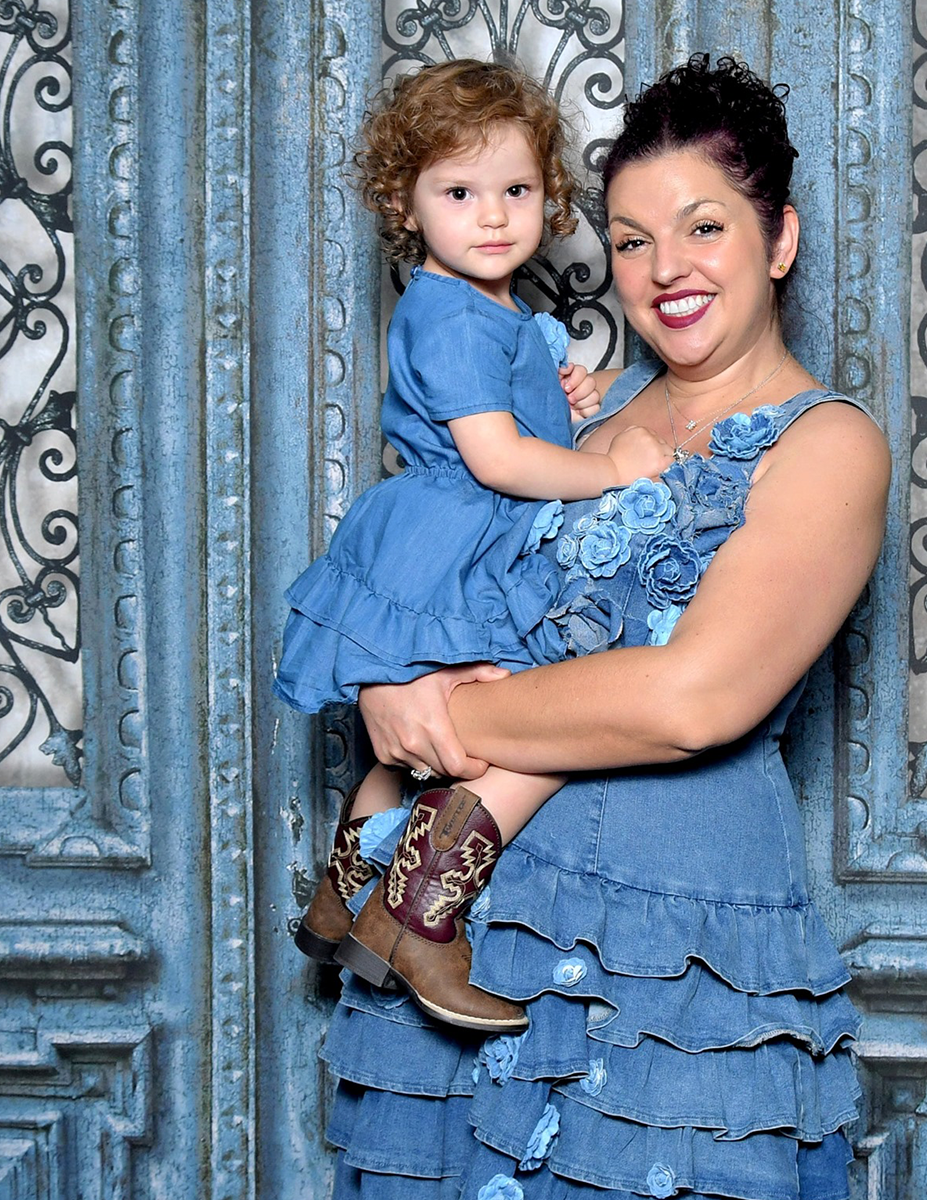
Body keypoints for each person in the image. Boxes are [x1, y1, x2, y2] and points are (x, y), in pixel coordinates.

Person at [322, 55, 890, 1200]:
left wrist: (436, 708)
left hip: (677, 976)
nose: (665, 269)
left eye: (702, 227)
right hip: (474, 939)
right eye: (631, 241)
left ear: (778, 239)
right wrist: (386, 681)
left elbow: (694, 700)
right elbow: (453, 580)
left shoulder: (827, 446)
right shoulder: (578, 414)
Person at [274, 58, 673, 1034]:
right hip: (451, 539)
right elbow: (496, 457)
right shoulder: (447, 313)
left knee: (429, 738)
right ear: (405, 205)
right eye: (459, 192)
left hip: (471, 532)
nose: (493, 216)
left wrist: (566, 399)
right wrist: (613, 469)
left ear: (547, 195)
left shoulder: (498, 310)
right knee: (486, 720)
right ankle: (422, 919)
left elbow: (511, 415)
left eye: (517, 191)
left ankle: (344, 897)